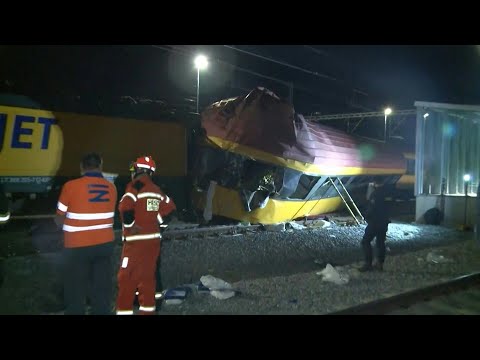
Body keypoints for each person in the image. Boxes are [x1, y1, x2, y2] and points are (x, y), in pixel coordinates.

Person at [55, 153, 117, 315]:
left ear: (82, 168)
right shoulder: (111, 188)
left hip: (77, 247)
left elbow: (59, 216)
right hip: (104, 245)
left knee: (75, 289)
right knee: (101, 288)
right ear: (100, 166)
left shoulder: (70, 186)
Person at [116, 155, 176, 315]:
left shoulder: (135, 186)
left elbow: (124, 208)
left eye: (133, 169)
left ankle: (129, 307)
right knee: (149, 276)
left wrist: (131, 226)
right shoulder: (156, 190)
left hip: (135, 243)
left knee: (127, 277)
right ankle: (152, 305)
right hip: (154, 242)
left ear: (139, 170)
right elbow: (170, 209)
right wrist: (159, 226)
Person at [359, 180, 390, 272]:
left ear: (374, 183)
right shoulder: (387, 192)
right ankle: (380, 264)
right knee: (380, 242)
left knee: (365, 241)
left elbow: (371, 208)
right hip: (384, 222)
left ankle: (368, 264)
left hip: (375, 222)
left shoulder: (375, 194)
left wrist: (366, 217)